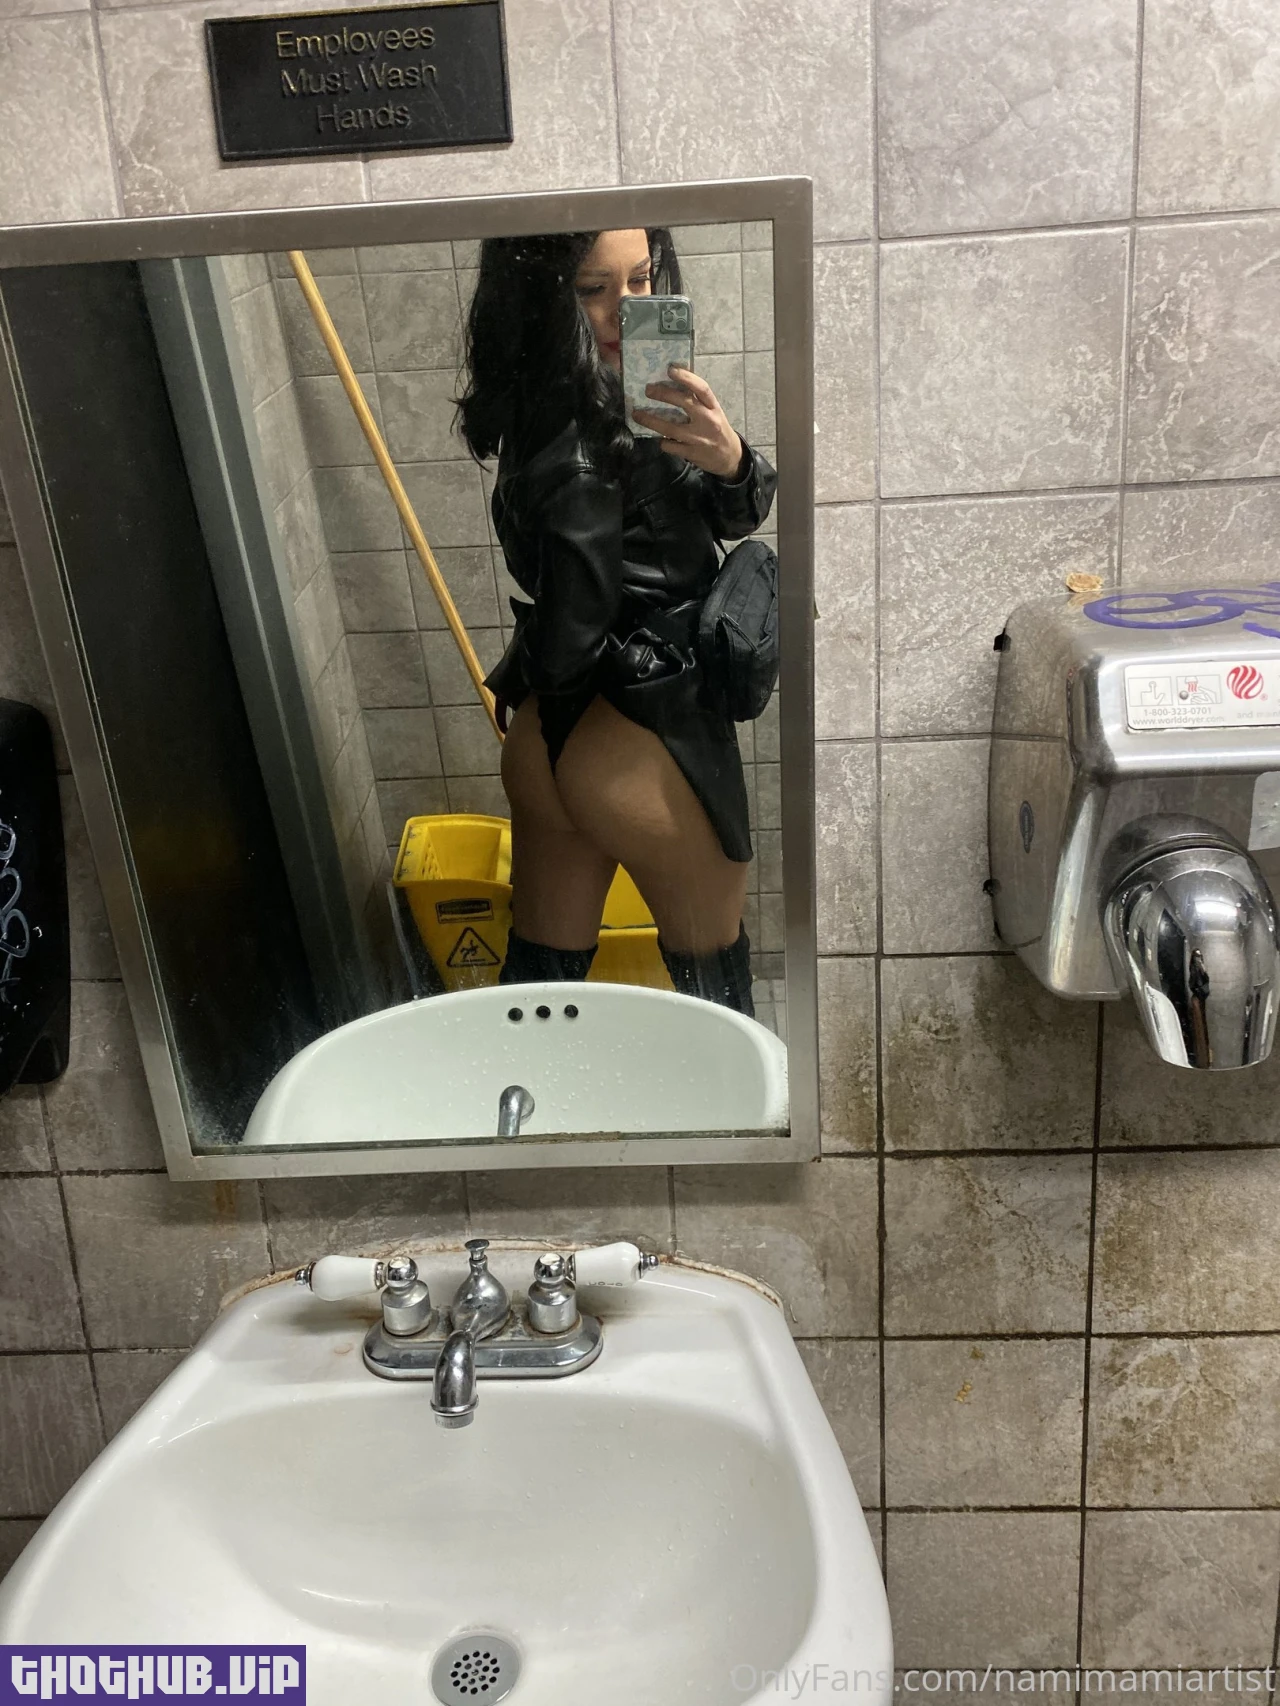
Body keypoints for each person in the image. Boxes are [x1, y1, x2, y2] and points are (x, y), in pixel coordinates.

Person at [456, 227, 776, 1014]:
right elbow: (581, 619)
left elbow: (736, 513)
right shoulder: (588, 444)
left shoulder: (584, 403)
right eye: (592, 289)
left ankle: (519, 1098)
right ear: (542, 297)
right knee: (715, 998)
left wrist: (731, 460)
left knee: (539, 990)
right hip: (639, 737)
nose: (624, 311)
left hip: (548, 737)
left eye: (641, 280)